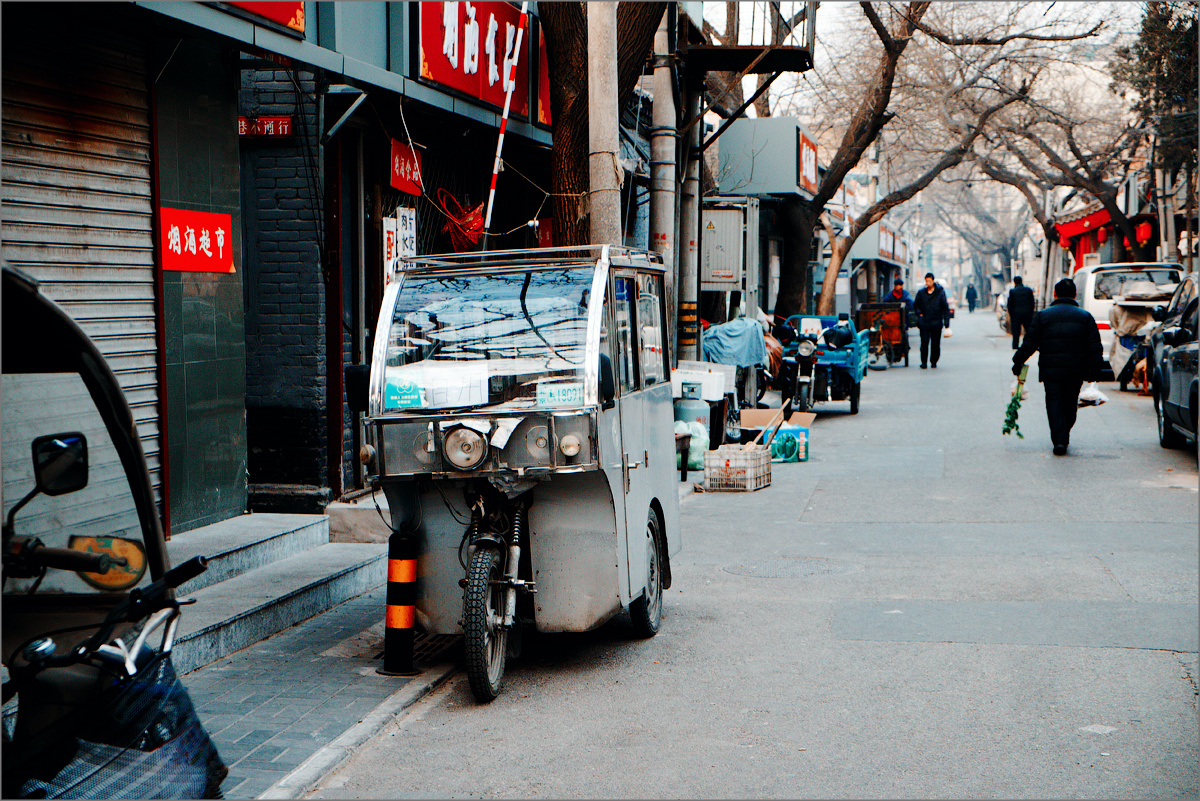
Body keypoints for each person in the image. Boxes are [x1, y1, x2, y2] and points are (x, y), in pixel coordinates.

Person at [1012, 278, 1104, 456]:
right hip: (1076, 370)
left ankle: (1059, 440)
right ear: (1075, 294)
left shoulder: (1043, 316)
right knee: (1070, 403)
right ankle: (1063, 434)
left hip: (1051, 370)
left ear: (1055, 294)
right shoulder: (1085, 317)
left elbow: (1029, 343)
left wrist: (1018, 361)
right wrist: (1096, 369)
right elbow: (1094, 346)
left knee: (1054, 403)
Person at [912, 272, 950, 368]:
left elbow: (945, 308)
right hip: (924, 322)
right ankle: (924, 362)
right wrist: (919, 314)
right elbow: (916, 305)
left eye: (929, 281)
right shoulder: (921, 293)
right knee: (924, 343)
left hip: (936, 322)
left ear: (933, 281)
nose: (927, 283)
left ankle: (934, 361)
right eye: (926, 281)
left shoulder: (940, 293)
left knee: (935, 343)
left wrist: (947, 324)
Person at [1007, 276, 1035, 349]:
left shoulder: (1012, 291)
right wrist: (1031, 312)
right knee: (1029, 330)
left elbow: (1010, 304)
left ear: (1014, 282)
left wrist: (1011, 314)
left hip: (1016, 314)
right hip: (1027, 313)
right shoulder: (1028, 290)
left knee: (1016, 331)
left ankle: (1015, 346)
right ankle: (1031, 345)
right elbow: (1032, 302)